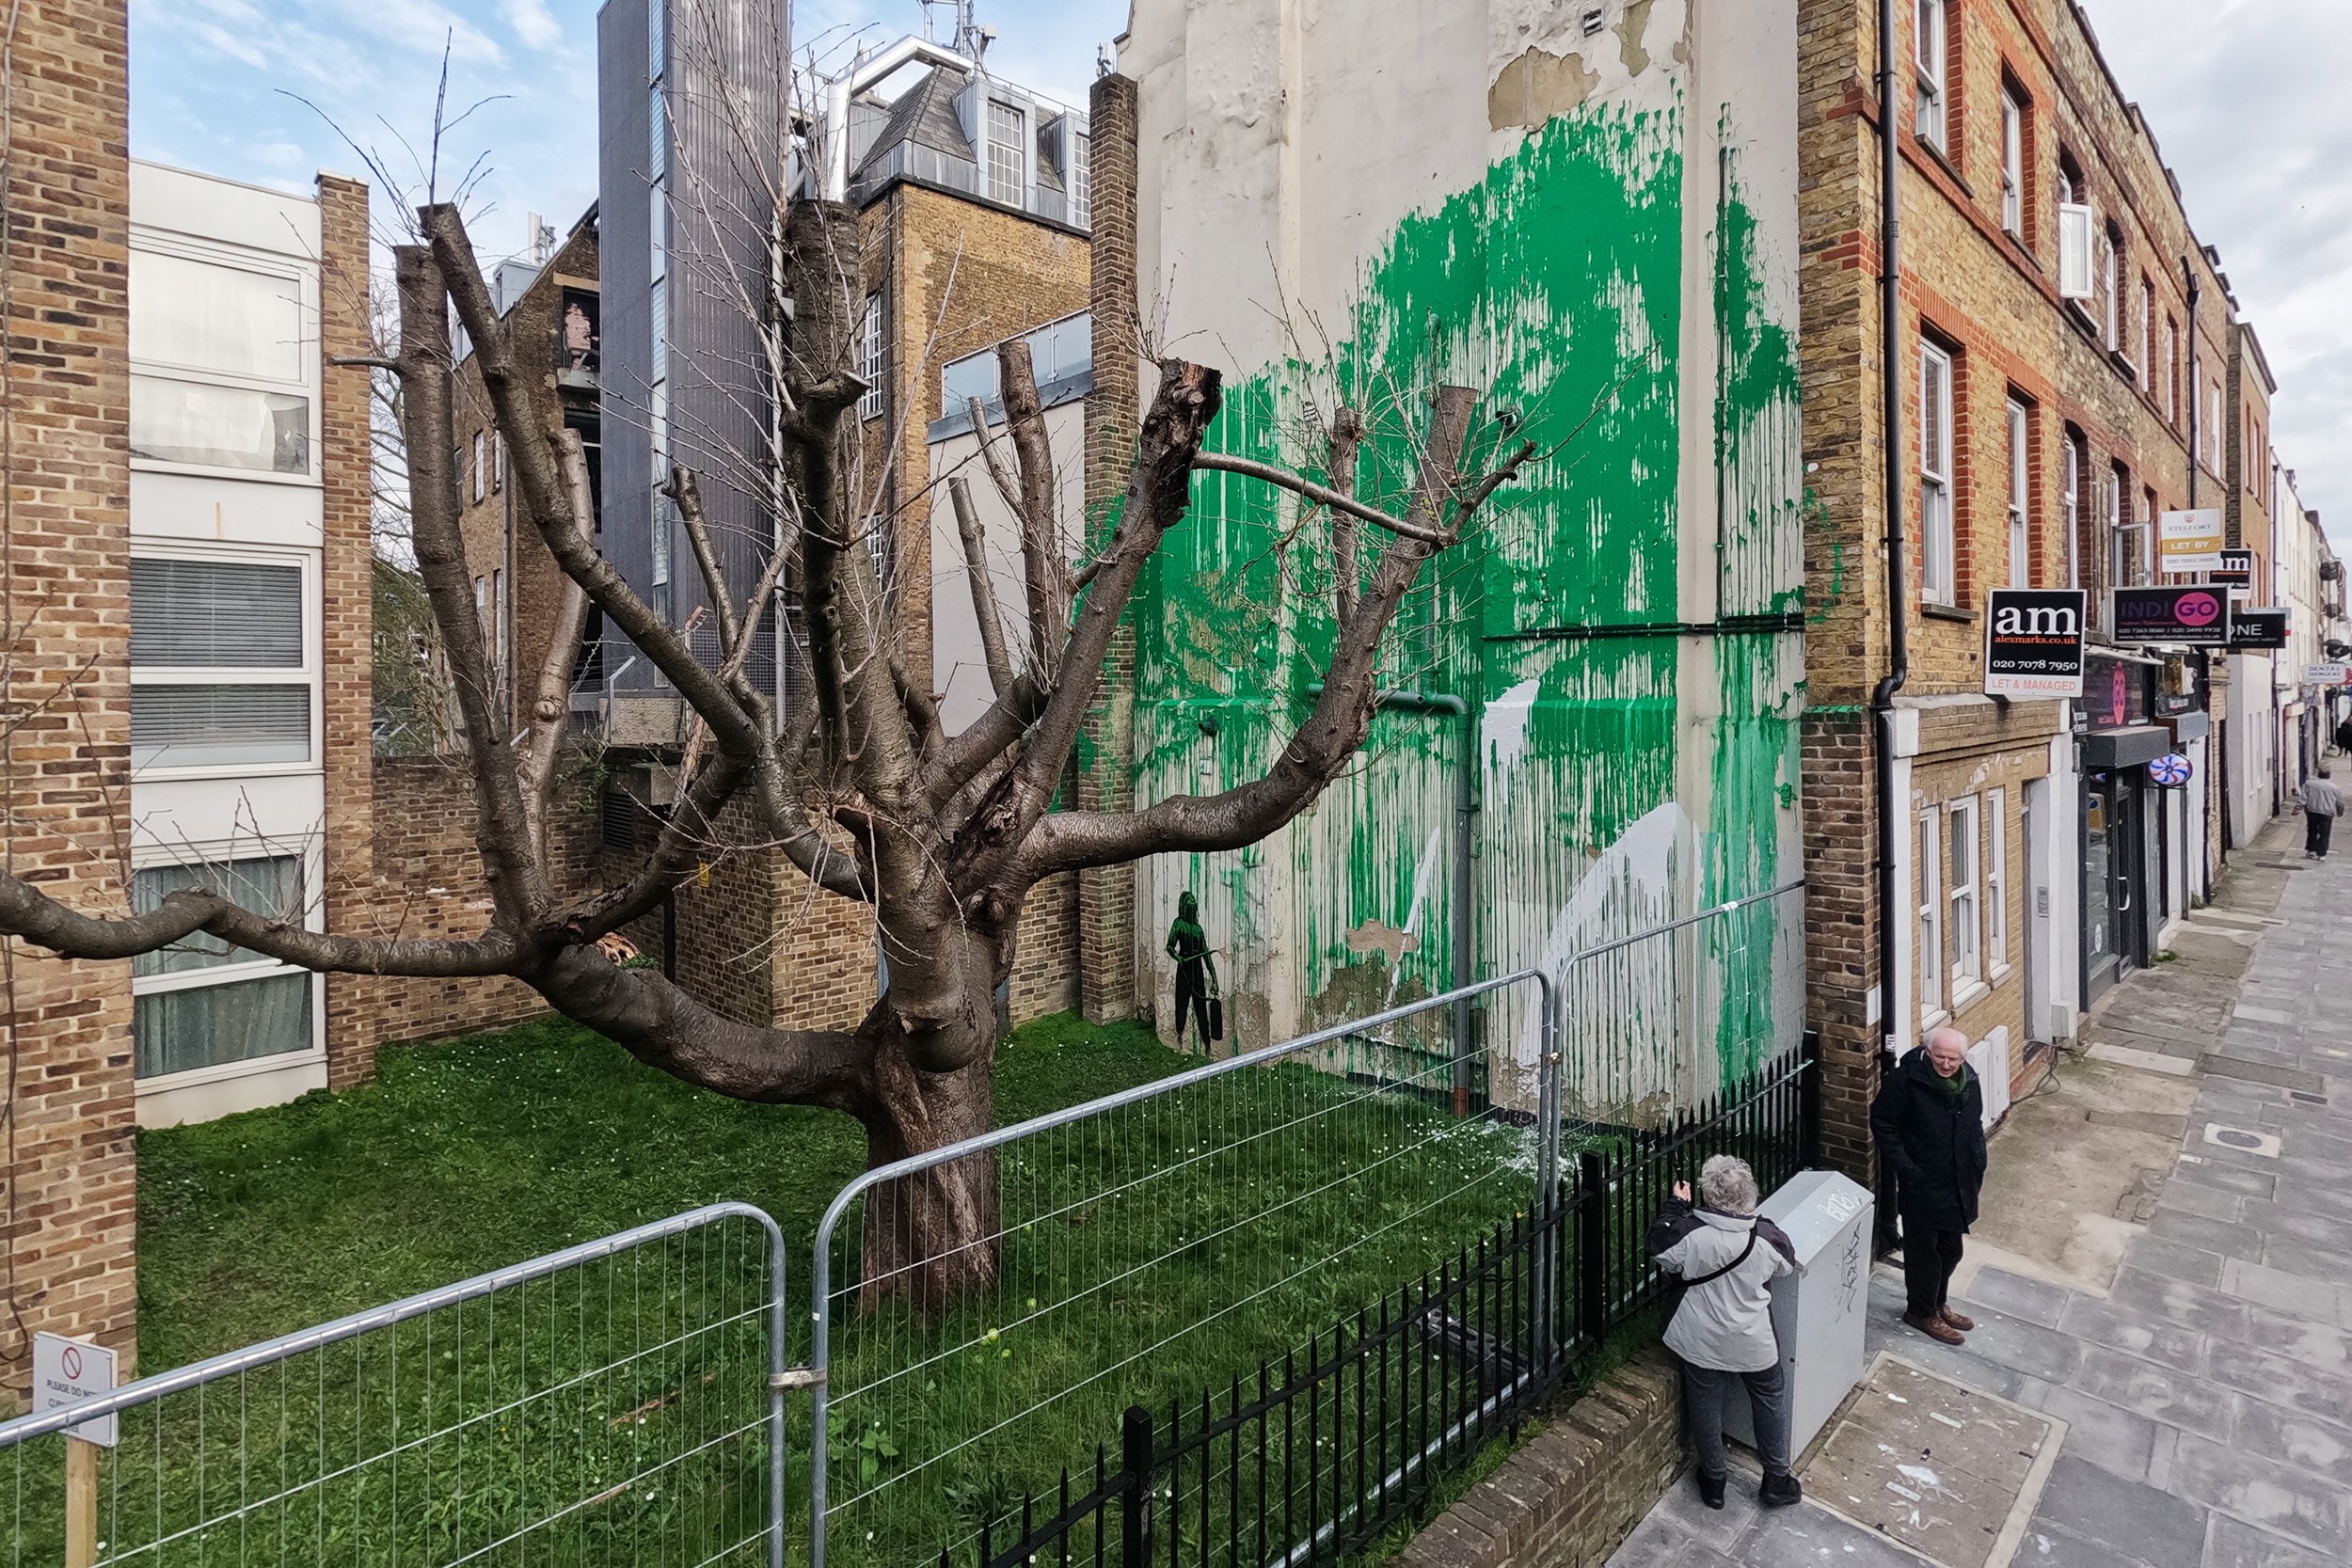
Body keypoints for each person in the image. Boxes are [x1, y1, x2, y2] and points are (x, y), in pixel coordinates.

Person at [1647, 1154, 1802, 1512]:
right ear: (1750, 1194)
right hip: (1753, 1340)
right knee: (1769, 1396)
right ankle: (1777, 1478)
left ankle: (1714, 1480)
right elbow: (1785, 1266)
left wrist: (1675, 1206)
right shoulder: (1766, 1236)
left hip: (1701, 1338)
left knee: (1704, 1401)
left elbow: (1659, 1246)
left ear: (1706, 1194)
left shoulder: (1690, 1234)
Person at [1870, 1026, 1988, 1345]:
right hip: (1922, 1182)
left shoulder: (1968, 1078)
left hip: (1959, 1181)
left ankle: (1937, 1302)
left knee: (1951, 1250)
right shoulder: (1905, 1080)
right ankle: (1921, 1312)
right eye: (1940, 1057)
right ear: (1927, 1051)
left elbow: (1973, 1121)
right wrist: (1907, 1169)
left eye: (1953, 1058)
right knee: (1925, 1254)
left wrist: (1978, 1158)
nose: (1947, 1064)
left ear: (1963, 1057)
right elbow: (1882, 1122)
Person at [1165, 891, 1219, 1050]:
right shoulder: (1178, 924)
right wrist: (1178, 958)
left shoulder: (1198, 929)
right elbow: (1170, 946)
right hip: (1184, 968)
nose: (1192, 909)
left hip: (1197, 970)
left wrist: (1214, 979)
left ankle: (1207, 1043)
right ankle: (1179, 1035)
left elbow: (1207, 957)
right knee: (1181, 1003)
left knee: (1200, 1006)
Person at [2301, 767, 2345, 861]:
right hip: (2327, 813)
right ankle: (2321, 854)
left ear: (2318, 775)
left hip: (2312, 811)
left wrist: (2297, 808)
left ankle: (2311, 851)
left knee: (2312, 831)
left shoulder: (2309, 784)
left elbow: (2304, 797)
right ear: (2329, 776)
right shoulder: (2335, 787)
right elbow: (2340, 802)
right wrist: (2340, 811)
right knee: (2324, 833)